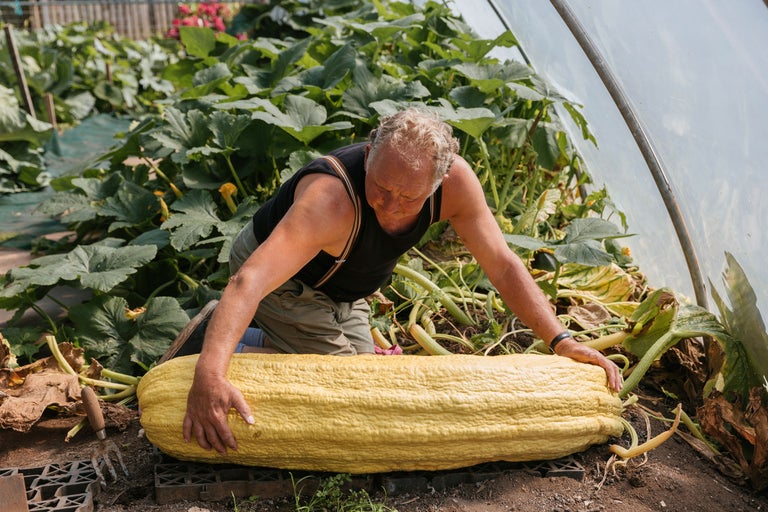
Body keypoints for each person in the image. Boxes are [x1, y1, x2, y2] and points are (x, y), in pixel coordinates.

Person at [172, 108, 623, 455]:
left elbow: (502, 265)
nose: (388, 206)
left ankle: (232, 332)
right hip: (280, 281)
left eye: (407, 198)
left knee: (372, 389)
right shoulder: (330, 199)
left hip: (347, 290)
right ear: (369, 155)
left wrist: (560, 340)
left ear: (441, 180)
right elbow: (250, 280)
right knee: (342, 394)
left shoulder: (456, 185)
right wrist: (209, 376)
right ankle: (209, 347)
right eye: (381, 187)